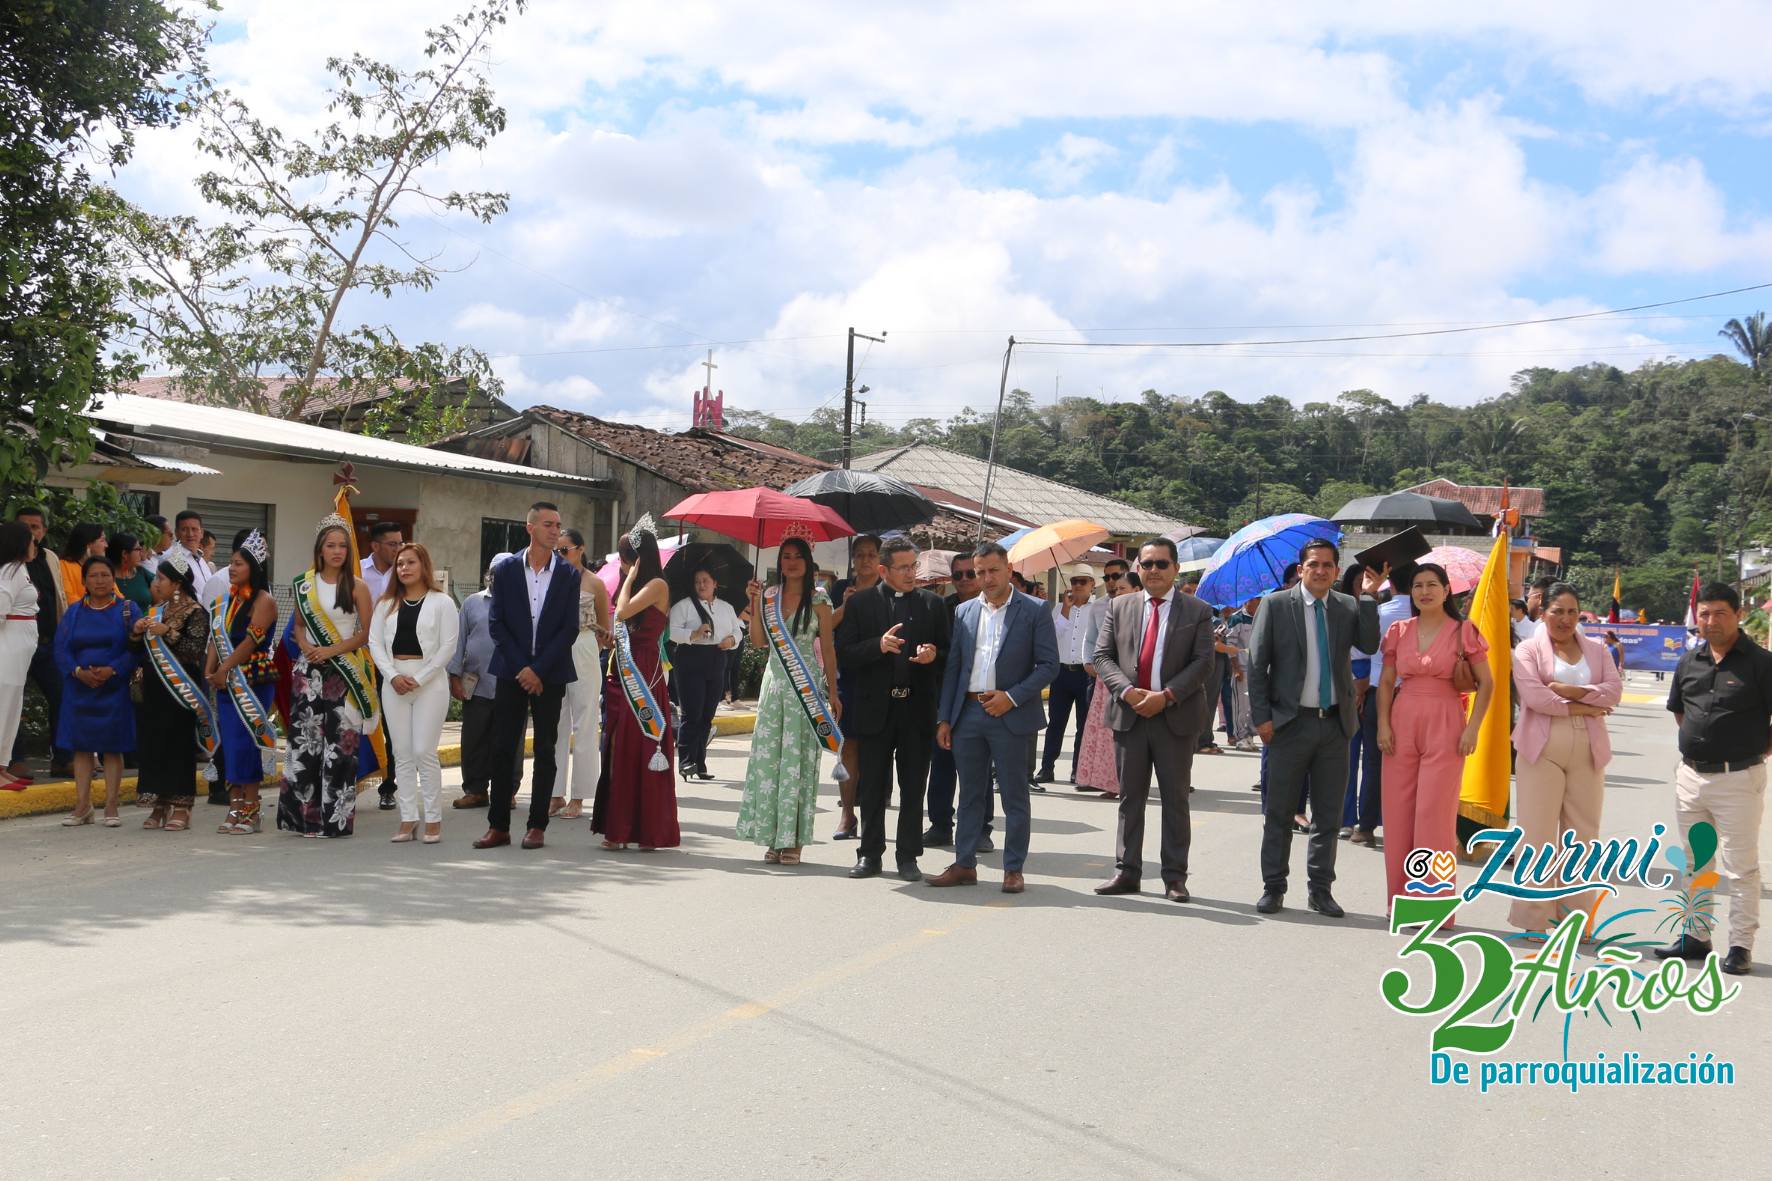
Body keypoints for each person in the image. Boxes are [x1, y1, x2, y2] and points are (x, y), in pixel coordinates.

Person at [1246, 539, 1384, 918]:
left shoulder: (1347, 606)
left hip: (1334, 726)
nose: (1320, 570)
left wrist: (1369, 597)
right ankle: (1273, 888)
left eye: (1327, 565)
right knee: (1279, 813)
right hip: (1288, 725)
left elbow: (1369, 644)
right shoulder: (1276, 605)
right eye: (1313, 564)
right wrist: (1263, 719)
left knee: (1328, 815)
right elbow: (1256, 665)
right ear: (1301, 569)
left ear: (1336, 570)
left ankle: (1320, 890)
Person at [1090, 538, 1216, 901]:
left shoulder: (1197, 610)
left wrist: (1166, 696)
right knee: (1130, 799)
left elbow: (1203, 662)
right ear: (1138, 569)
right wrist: (1128, 692)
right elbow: (1102, 656)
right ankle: (1126, 871)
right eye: (1147, 564)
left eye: (1162, 564)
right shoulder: (1120, 606)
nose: (1154, 570)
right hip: (1129, 714)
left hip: (1174, 715)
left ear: (1176, 568)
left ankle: (1175, 876)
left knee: (1175, 799)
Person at [928, 541, 1058, 893]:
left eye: (993, 571)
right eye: (979, 572)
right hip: (968, 713)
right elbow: (955, 667)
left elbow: (1049, 665)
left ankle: (1013, 868)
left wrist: (1011, 698)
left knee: (1014, 795)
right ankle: (964, 863)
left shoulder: (1034, 610)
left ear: (1009, 570)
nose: (986, 578)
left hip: (1010, 713)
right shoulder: (964, 611)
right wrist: (945, 718)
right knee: (970, 793)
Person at [1658, 583, 1769, 977]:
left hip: (1738, 778)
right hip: (1691, 777)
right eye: (1704, 614)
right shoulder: (1689, 661)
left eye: (1720, 613)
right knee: (1695, 862)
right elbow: (1681, 711)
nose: (1711, 621)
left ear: (1738, 615)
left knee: (1741, 867)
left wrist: (1753, 749)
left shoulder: (1761, 664)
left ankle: (1740, 945)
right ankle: (1695, 936)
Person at [1374, 562, 1495, 904]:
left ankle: (1432, 903)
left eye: (1431, 585)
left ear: (1446, 590)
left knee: (1434, 816)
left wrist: (1473, 729)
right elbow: (1386, 681)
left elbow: (1487, 683)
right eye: (1418, 585)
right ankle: (1399, 900)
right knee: (1398, 813)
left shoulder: (1463, 631)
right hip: (1402, 720)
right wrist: (1383, 724)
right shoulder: (1398, 630)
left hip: (1446, 721)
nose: (1424, 592)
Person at [834, 537, 950, 881]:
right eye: (903, 567)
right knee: (871, 787)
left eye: (913, 566)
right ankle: (870, 855)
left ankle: (908, 856)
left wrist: (933, 656)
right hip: (875, 710)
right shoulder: (861, 603)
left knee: (913, 787)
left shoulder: (932, 604)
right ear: (884, 570)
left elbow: (949, 654)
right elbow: (845, 654)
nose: (911, 573)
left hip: (916, 709)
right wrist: (878, 645)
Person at [1508, 583, 1620, 933]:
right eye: (1558, 611)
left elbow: (1614, 692)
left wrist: (1569, 691)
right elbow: (1536, 698)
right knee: (1537, 834)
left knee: (1584, 835)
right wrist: (1586, 705)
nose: (1565, 619)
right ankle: (1534, 919)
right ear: (1543, 614)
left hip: (1588, 747)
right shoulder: (1527, 650)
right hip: (1541, 747)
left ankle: (1576, 920)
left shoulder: (1598, 651)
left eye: (1572, 612)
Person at [477, 503, 581, 851]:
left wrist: (538, 669)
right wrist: (523, 667)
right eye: (548, 524)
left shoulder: (568, 574)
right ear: (530, 528)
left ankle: (537, 825)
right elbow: (497, 624)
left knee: (546, 749)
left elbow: (569, 629)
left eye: (558, 525)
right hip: (511, 671)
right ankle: (498, 826)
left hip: (550, 674)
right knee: (503, 748)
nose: (555, 531)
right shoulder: (506, 570)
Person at [735, 536, 839, 864]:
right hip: (775, 684)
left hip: (805, 687)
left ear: (808, 562)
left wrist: (834, 693)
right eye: (786, 557)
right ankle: (772, 835)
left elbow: (829, 648)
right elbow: (758, 641)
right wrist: (753, 604)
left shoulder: (819, 599)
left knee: (798, 762)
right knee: (770, 761)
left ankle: (793, 840)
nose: (791, 563)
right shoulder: (769, 596)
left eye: (797, 557)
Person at [277, 517, 377, 839]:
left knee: (341, 747)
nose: (337, 551)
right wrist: (307, 647)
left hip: (343, 673)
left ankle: (335, 821)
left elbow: (366, 634)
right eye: (331, 545)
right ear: (320, 550)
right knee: (305, 745)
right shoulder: (304, 585)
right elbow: (298, 626)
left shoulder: (358, 587)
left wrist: (331, 650)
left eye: (342, 546)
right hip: (309, 673)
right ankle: (303, 819)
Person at [592, 519, 681, 851]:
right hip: (624, 666)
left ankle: (646, 830)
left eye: (626, 558)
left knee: (639, 744)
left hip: (643, 671)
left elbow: (624, 611)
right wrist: (610, 637)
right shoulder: (638, 585)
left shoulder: (657, 584)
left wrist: (628, 578)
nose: (623, 565)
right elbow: (624, 623)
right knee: (618, 746)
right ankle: (617, 827)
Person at [367, 542, 459, 844]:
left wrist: (419, 678)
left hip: (430, 683)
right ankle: (408, 818)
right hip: (394, 681)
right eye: (400, 563)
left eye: (410, 562)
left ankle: (433, 819)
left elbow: (448, 646)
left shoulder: (442, 602)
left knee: (423, 751)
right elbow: (375, 643)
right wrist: (392, 676)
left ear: (424, 566)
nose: (404, 568)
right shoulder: (385, 604)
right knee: (402, 753)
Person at [127, 547, 210, 830]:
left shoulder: (196, 612)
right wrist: (137, 632)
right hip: (152, 688)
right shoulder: (156, 611)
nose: (156, 583)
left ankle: (182, 806)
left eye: (161, 578)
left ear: (177, 583)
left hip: (180, 688)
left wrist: (169, 632)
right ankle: (159, 803)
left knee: (178, 745)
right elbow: (135, 649)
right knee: (153, 745)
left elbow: (194, 650)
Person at [55, 555, 140, 826]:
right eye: (93, 575)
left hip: (114, 688)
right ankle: (83, 806)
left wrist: (113, 670)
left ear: (113, 579)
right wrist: (77, 671)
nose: (100, 580)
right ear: (84, 581)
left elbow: (137, 648)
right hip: (78, 688)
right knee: (81, 748)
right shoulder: (74, 612)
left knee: (113, 748)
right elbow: (61, 649)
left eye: (105, 575)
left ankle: (111, 806)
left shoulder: (127, 609)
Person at [206, 530, 280, 834]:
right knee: (231, 745)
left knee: (247, 742)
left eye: (238, 564)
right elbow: (216, 637)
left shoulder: (265, 600)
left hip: (253, 680)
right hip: (225, 680)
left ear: (254, 567)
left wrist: (224, 668)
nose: (232, 568)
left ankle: (251, 809)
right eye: (231, 562)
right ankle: (235, 807)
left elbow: (251, 641)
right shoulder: (226, 600)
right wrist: (210, 670)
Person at [545, 530, 611, 816]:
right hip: (554, 648)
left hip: (583, 646)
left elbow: (604, 628)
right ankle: (555, 793)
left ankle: (580, 796)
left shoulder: (594, 582)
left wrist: (591, 647)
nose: (559, 556)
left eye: (564, 550)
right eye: (556, 551)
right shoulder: (549, 578)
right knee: (555, 722)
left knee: (584, 722)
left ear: (580, 550)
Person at [925, 548, 987, 845]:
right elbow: (935, 647)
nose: (964, 579)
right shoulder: (940, 607)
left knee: (979, 768)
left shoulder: (993, 608)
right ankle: (940, 825)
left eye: (970, 573)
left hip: (980, 697)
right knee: (941, 763)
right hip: (944, 696)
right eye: (957, 574)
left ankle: (981, 830)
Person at [6, 507, 70, 783]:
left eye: (35, 527)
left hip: (47, 643)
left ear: (44, 531)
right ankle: (13, 760)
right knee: (12, 701)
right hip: (13, 646)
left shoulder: (49, 557)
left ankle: (63, 758)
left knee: (62, 696)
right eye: (25, 527)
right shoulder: (8, 564)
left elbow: (59, 596)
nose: (31, 533)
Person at [828, 533, 883, 838]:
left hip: (879, 676)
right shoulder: (840, 588)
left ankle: (873, 816)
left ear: (880, 559)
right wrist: (845, 605)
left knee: (875, 749)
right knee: (847, 745)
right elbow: (824, 629)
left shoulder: (887, 589)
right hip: (846, 676)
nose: (865, 560)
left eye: (871, 554)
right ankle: (847, 814)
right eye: (859, 554)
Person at [449, 563, 516, 809]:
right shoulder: (472, 603)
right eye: (496, 574)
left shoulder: (522, 603)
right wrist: (454, 676)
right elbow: (459, 640)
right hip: (476, 683)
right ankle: (475, 791)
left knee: (509, 740)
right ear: (489, 576)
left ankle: (506, 791)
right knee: (474, 739)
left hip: (511, 684)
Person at [669, 564, 739, 782]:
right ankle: (686, 761)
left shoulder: (726, 608)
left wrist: (732, 640)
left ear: (715, 583)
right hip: (691, 659)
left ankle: (700, 763)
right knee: (692, 713)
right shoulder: (684, 606)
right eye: (697, 581)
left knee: (707, 715)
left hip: (717, 658)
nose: (701, 585)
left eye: (705, 581)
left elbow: (738, 631)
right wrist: (694, 633)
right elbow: (671, 632)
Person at [1073, 556, 1133, 797]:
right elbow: (1090, 638)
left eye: (1116, 576)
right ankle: (1098, 778)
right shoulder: (1099, 606)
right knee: (1099, 729)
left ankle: (1123, 780)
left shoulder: (1140, 604)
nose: (1110, 582)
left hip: (1130, 677)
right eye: (1106, 577)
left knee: (1125, 732)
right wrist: (1088, 662)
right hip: (1102, 676)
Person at [1036, 565, 1097, 786]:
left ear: (1092, 584)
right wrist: (1065, 611)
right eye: (1074, 581)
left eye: (1083, 581)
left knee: (1083, 725)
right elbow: (1052, 637)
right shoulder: (1059, 608)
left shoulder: (1098, 609)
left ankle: (1077, 771)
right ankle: (1047, 768)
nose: (1078, 585)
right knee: (1055, 723)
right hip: (1062, 673)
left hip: (1085, 674)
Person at [359, 520, 403, 811]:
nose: (398, 549)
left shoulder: (405, 571)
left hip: (392, 659)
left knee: (392, 725)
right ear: (375, 545)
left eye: (401, 543)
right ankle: (349, 783)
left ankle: (389, 786)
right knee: (354, 721)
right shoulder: (357, 571)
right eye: (392, 544)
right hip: (359, 657)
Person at [0, 523, 41, 790]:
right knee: (3, 706)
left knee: (11, 707)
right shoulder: (9, 570)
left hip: (18, 649)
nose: (35, 546)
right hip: (8, 649)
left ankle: (2, 766)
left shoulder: (20, 569)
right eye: (31, 541)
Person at [58, 522, 105, 604]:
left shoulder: (103, 568)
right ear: (89, 545)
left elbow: (118, 598)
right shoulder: (63, 566)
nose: (106, 545)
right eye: (102, 540)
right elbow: (69, 599)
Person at [111, 534, 152, 612]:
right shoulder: (107, 579)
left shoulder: (141, 572)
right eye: (138, 549)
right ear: (124, 554)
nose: (141, 553)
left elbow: (162, 596)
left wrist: (152, 613)